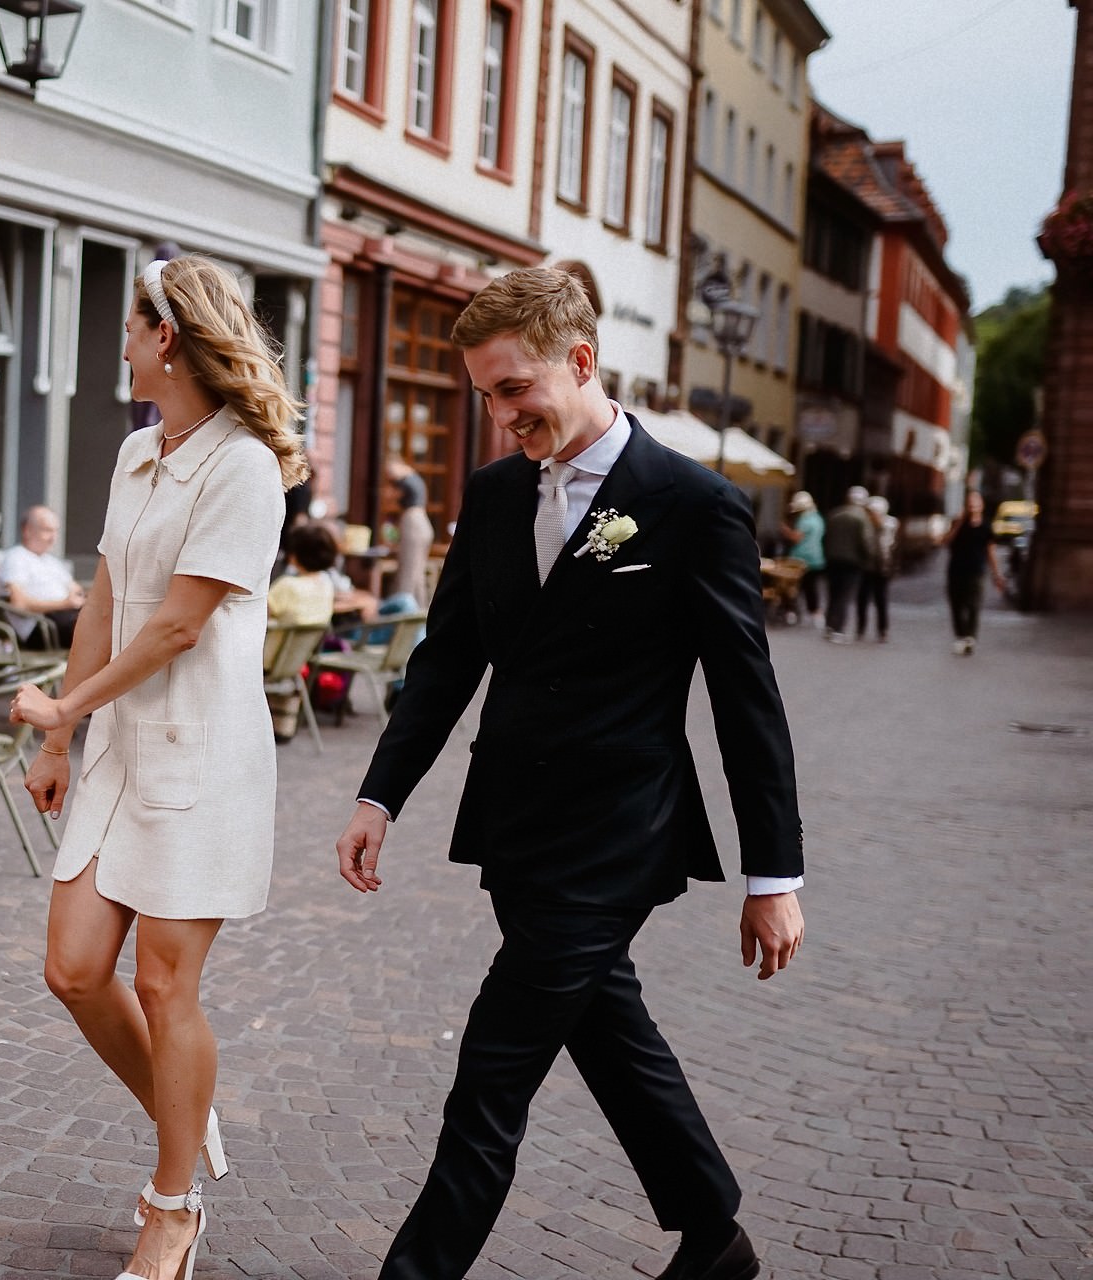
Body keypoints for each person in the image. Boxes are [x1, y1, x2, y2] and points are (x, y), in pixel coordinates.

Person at [332, 266, 804, 1280]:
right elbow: (448, 655)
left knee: (493, 1070)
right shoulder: (498, 495)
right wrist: (380, 793)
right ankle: (713, 1233)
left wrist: (775, 877)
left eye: (514, 390)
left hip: (617, 835)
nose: (500, 416)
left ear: (580, 362)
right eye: (485, 397)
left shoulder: (692, 505)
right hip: (516, 829)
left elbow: (745, 701)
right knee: (605, 1022)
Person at [9, 254, 305, 1280]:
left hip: (202, 754)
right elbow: (106, 597)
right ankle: (187, 1115)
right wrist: (61, 737)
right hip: (119, 751)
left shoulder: (245, 465)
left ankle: (172, 1203)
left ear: (168, 335)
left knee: (165, 984)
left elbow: (180, 622)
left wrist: (65, 704)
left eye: (132, 326)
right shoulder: (139, 452)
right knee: (74, 967)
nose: (122, 342)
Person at [265, 523, 337, 742]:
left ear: (294, 556)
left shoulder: (287, 586)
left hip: (267, 661)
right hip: (296, 662)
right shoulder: (327, 584)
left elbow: (259, 613)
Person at [0, 506, 85, 648]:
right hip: (43, 626)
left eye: (56, 531)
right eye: (47, 530)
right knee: (96, 628)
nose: (53, 538)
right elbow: (19, 603)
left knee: (107, 621)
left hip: (66, 618)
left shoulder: (51, 561)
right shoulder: (16, 558)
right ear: (28, 531)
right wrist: (64, 604)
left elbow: (76, 589)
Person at [942, 490, 1005, 656]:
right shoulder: (958, 522)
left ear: (981, 505)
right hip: (955, 570)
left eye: (975, 503)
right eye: (970, 503)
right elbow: (945, 542)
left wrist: (997, 574)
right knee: (956, 604)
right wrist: (959, 523)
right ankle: (961, 635)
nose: (973, 506)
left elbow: (991, 551)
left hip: (976, 571)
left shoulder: (986, 526)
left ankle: (970, 637)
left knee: (973, 605)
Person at [821, 485, 875, 643]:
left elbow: (826, 538)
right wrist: (868, 558)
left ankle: (829, 624)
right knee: (844, 595)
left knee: (833, 593)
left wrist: (828, 553)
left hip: (833, 559)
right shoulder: (862, 518)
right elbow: (866, 541)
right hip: (853, 562)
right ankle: (838, 629)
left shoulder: (835, 514)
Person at [384, 459, 433, 609]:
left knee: (407, 573)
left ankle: (402, 612)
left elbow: (390, 496)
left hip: (414, 522)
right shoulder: (415, 480)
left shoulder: (406, 481)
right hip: (422, 522)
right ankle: (418, 612)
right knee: (416, 574)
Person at [778, 491, 825, 626]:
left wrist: (785, 530)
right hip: (816, 557)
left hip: (800, 558)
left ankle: (791, 611)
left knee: (793, 587)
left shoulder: (804, 520)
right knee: (811, 587)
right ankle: (815, 613)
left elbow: (797, 537)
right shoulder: (818, 518)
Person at [857, 494, 900, 643]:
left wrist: (892, 567)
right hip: (867, 566)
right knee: (862, 598)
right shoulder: (865, 524)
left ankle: (883, 630)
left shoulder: (890, 525)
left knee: (881, 600)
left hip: (882, 567)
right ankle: (860, 627)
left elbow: (891, 546)